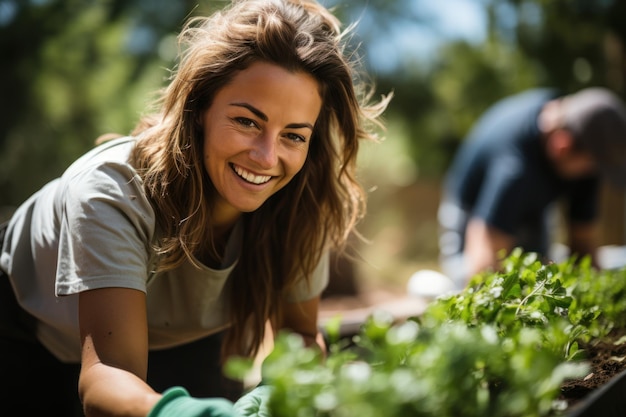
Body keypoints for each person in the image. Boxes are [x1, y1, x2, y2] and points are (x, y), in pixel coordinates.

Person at [0, 0, 391, 416]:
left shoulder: (302, 203)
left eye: (293, 136)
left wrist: (277, 397)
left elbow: (299, 336)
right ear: (200, 107)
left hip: (178, 339)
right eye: (247, 121)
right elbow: (106, 380)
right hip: (24, 337)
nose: (265, 156)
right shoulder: (112, 192)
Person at [410, 87, 626, 296]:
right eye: (590, 167)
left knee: (539, 282)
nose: (592, 175)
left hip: (535, 205)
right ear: (562, 146)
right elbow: (484, 263)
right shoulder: (513, 168)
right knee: (475, 289)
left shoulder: (584, 148)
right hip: (472, 210)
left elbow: (583, 247)